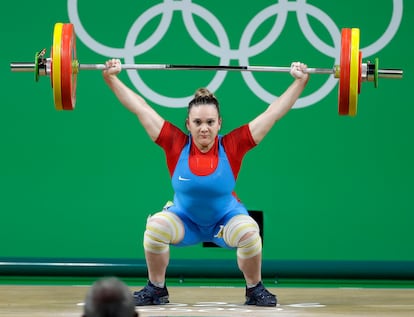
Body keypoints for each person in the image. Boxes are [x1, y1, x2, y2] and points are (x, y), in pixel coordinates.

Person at [102, 59, 309, 307]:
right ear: (188, 124)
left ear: (219, 123)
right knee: (155, 227)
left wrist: (300, 81)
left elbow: (272, 113)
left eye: (210, 122)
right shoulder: (175, 143)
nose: (204, 129)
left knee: (250, 232)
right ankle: (156, 289)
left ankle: (254, 289)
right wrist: (111, 78)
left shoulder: (233, 145)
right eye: (198, 123)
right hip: (185, 221)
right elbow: (140, 108)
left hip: (224, 220)